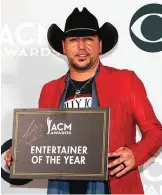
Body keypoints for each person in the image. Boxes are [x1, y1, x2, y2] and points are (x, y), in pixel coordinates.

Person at [5, 7, 162, 194]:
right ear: (64, 46)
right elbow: (43, 142)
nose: (81, 47)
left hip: (114, 188)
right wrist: (21, 154)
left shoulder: (125, 81)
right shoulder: (49, 90)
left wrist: (136, 154)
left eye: (88, 39)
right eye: (73, 40)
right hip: (62, 188)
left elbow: (155, 131)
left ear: (100, 45)